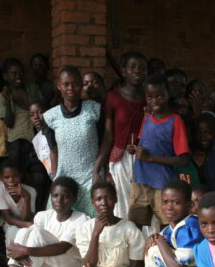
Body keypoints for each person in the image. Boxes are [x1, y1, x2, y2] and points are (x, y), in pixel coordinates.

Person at [128, 73, 191, 229]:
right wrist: (134, 149)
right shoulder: (147, 116)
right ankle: (139, 253)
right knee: (136, 223)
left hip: (162, 184)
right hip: (140, 179)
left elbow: (183, 159)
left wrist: (150, 158)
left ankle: (165, 252)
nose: (154, 101)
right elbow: (146, 142)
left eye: (159, 96)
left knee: (166, 223)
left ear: (168, 94)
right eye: (150, 97)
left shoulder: (175, 121)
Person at [44, 66, 105, 217]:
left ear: (81, 85)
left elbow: (105, 143)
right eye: (66, 84)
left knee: (93, 221)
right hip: (65, 177)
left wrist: (99, 171)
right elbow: (53, 151)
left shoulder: (95, 110)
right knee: (61, 221)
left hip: (91, 175)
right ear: (59, 86)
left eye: (75, 84)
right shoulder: (50, 117)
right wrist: (55, 178)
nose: (70, 88)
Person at [98, 52, 147, 220]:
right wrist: (100, 167)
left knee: (144, 204)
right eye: (132, 67)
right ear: (124, 71)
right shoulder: (113, 97)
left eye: (141, 68)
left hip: (146, 158)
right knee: (122, 203)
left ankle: (145, 244)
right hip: (121, 159)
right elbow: (108, 135)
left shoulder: (150, 96)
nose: (137, 71)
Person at [0, 58, 39, 167]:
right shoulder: (3, 96)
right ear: (5, 76)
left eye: (21, 73)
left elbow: (43, 108)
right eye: (14, 73)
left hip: (36, 138)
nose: (18, 76)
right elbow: (9, 123)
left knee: (39, 177)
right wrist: (8, 103)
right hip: (17, 143)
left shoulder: (32, 88)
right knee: (17, 176)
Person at [0, 160, 36, 246]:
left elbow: (25, 218)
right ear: (1, 178)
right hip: (11, 223)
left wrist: (26, 197)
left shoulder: (31, 191)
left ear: (21, 176)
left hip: (27, 221)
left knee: (27, 235)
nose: (11, 180)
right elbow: (8, 218)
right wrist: (28, 225)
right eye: (7, 177)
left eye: (15, 176)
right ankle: (11, 257)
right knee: (12, 231)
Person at [29, 101, 53, 179]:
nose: (36, 117)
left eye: (40, 112)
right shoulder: (36, 140)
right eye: (32, 115)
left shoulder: (57, 132)